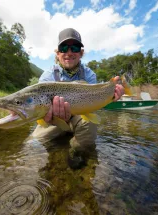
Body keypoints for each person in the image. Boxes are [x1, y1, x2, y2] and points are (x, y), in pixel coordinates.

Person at [31, 28, 124, 169]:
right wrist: (46, 117)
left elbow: (96, 102)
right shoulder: (47, 76)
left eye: (74, 47)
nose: (69, 52)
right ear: (57, 53)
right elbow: (38, 108)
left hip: (79, 117)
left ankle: (75, 150)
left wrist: (113, 95)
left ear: (81, 53)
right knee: (35, 144)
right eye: (64, 48)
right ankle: (62, 140)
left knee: (88, 131)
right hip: (55, 119)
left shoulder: (89, 75)